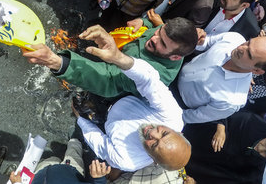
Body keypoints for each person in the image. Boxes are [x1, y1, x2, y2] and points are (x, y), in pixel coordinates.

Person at [66, 25, 192, 173]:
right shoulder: (173, 117)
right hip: (123, 96)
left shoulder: (128, 161)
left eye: (154, 145)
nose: (152, 133)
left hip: (103, 118)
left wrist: (80, 119)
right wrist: (117, 57)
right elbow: (149, 81)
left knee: (78, 104)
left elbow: (99, 142)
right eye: (164, 133)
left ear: (154, 161)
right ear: (179, 132)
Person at [22, 16, 198, 98]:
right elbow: (156, 24)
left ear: (175, 57)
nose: (153, 38)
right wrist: (144, 21)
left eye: (163, 44)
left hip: (112, 91)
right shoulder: (165, 36)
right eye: (159, 32)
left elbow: (108, 80)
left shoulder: (158, 76)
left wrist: (57, 61)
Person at [175, 31, 266, 124]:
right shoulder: (234, 38)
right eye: (248, 42)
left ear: (256, 71)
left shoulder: (232, 100)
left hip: (176, 103)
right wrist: (200, 40)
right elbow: (206, 42)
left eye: (249, 54)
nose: (241, 48)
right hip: (174, 66)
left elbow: (191, 116)